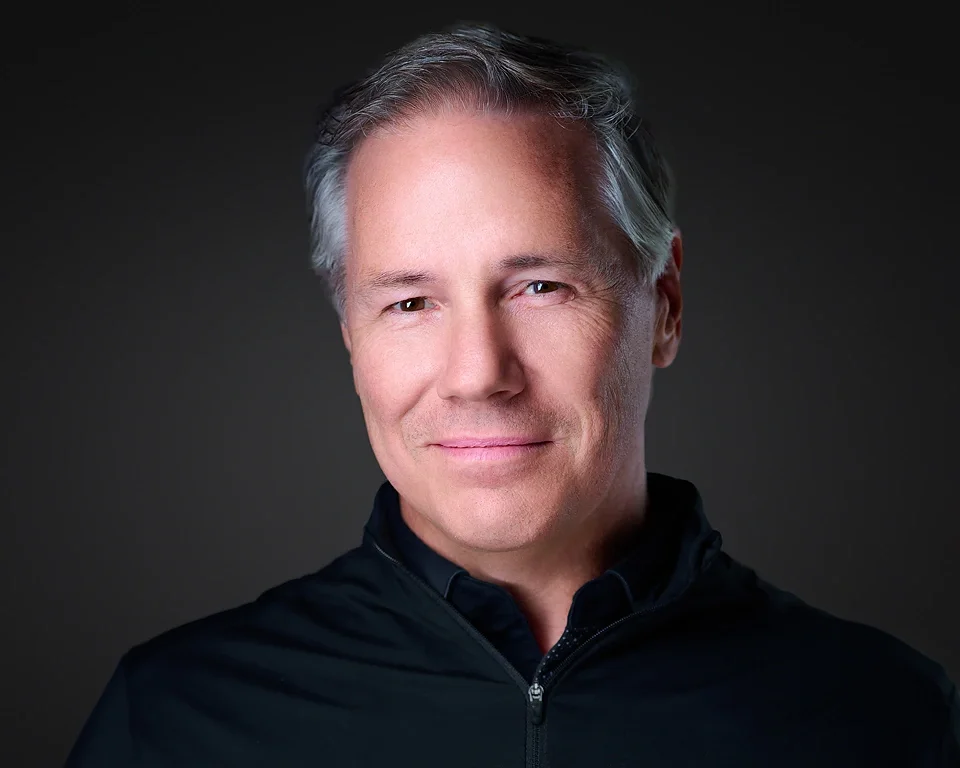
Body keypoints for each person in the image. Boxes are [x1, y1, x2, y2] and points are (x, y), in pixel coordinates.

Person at [65, 21, 958, 767]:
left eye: (541, 288)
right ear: (349, 331)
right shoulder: (174, 719)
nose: (477, 373)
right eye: (410, 302)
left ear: (665, 305)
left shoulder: (888, 717)